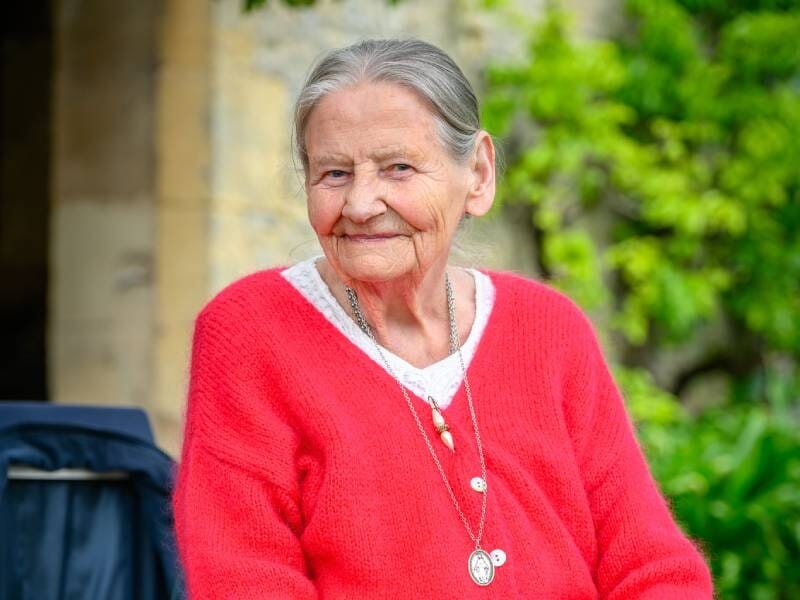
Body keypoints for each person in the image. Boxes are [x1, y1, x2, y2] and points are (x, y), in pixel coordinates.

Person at [172, 38, 714, 598]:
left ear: (477, 174)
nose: (360, 205)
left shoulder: (549, 328)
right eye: (334, 173)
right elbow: (243, 577)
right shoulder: (249, 332)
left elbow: (653, 567)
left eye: (398, 168)